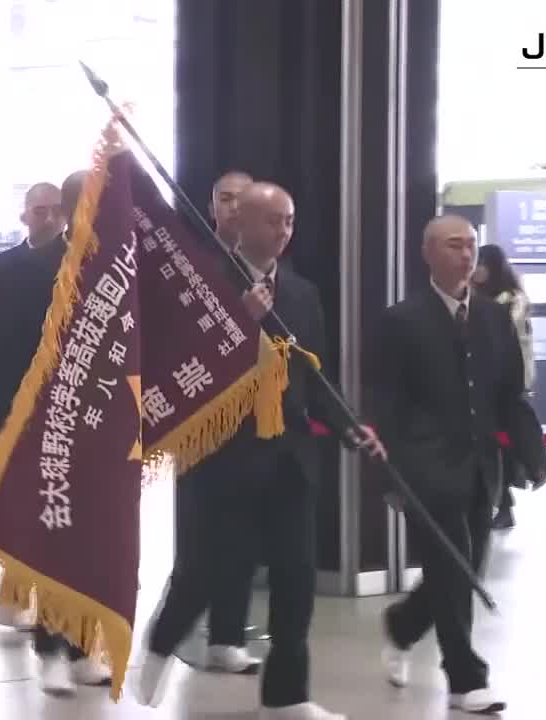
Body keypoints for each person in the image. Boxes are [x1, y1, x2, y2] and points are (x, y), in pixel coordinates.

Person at [137, 182, 383, 720]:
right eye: (272, 220)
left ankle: (286, 696)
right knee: (206, 571)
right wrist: (239, 322)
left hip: (289, 458)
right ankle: (158, 648)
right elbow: (179, 366)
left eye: (289, 221)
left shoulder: (301, 293)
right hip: (222, 457)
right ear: (239, 223)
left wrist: (350, 426)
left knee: (296, 580)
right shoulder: (202, 283)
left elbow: (315, 377)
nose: (283, 231)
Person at [372, 215, 546, 715]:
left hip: (481, 467)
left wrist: (532, 455)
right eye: (454, 245)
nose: (467, 254)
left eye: (472, 245)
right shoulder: (401, 320)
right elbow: (387, 404)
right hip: (426, 466)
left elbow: (510, 394)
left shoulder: (494, 317)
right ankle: (465, 679)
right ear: (428, 252)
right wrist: (392, 476)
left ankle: (403, 625)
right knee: (452, 571)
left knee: (463, 569)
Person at [0, 176, 111, 692]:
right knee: (53, 537)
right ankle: (52, 646)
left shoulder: (114, 267)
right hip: (35, 426)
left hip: (99, 426)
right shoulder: (13, 272)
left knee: (94, 543)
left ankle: (85, 644)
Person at [173, 169, 261, 675]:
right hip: (200, 421)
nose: (234, 207)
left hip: (256, 422)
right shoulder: (192, 263)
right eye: (225, 199)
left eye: (243, 200)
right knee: (200, 535)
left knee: (243, 533)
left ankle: (228, 636)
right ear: (211, 208)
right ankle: (178, 629)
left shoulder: (267, 267)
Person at [471, 244, 535, 530]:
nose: (477, 269)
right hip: (485, 381)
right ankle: (499, 502)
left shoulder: (510, 300)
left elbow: (511, 344)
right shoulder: (477, 297)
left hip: (508, 382)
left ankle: (504, 504)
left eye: (482, 263)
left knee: (503, 445)